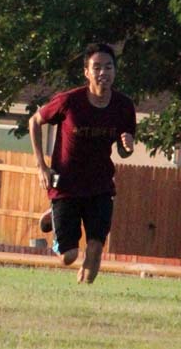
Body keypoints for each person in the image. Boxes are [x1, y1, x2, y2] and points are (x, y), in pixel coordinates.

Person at [28, 43, 135, 284]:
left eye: (108, 67)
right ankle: (54, 217)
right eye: (96, 67)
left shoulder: (124, 106)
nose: (103, 73)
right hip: (65, 186)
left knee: (95, 253)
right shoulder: (69, 101)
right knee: (69, 256)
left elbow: (123, 149)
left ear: (115, 72)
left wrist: (127, 146)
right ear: (86, 72)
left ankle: (86, 298)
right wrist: (41, 166)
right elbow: (34, 121)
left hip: (100, 186)